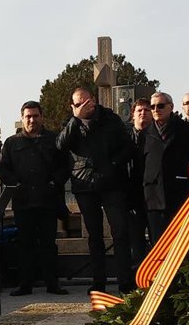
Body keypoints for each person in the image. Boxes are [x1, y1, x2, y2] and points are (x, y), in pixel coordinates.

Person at [57, 87, 135, 294]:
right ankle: (98, 281)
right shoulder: (70, 123)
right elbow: (60, 145)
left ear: (94, 100)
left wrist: (114, 164)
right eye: (78, 104)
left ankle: (125, 281)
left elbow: (128, 147)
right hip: (84, 184)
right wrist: (76, 119)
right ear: (73, 106)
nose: (84, 106)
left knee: (120, 232)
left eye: (87, 102)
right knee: (94, 236)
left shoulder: (111, 119)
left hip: (112, 183)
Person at [0, 101, 70, 296]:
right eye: (28, 116)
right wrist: (15, 184)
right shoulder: (11, 143)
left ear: (42, 117)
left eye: (35, 116)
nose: (32, 120)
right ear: (22, 119)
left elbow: (65, 165)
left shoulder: (54, 140)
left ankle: (52, 283)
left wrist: (55, 183)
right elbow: (3, 169)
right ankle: (25, 284)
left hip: (48, 201)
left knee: (48, 244)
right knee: (24, 245)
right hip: (23, 202)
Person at [141, 92, 189, 246]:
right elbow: (140, 167)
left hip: (181, 196)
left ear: (171, 107)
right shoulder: (144, 135)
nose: (156, 109)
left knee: (183, 245)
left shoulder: (188, 131)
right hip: (154, 199)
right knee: (158, 246)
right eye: (152, 107)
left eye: (160, 106)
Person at [127, 99, 152, 265]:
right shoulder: (125, 138)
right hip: (132, 195)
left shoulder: (157, 136)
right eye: (139, 110)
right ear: (133, 115)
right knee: (136, 242)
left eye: (146, 110)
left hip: (153, 195)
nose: (143, 113)